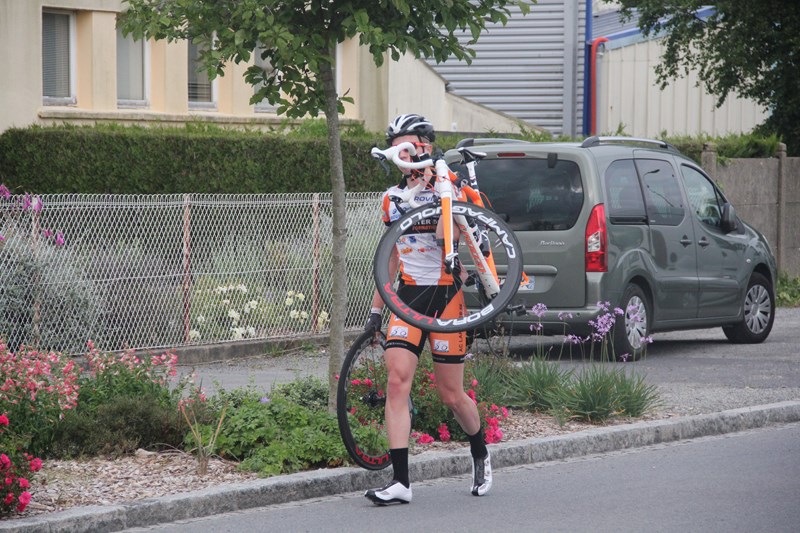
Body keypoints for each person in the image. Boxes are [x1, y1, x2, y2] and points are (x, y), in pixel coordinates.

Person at [364, 113, 492, 505]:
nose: (401, 156)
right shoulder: (391, 198)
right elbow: (388, 259)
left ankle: (480, 451)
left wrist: (443, 191)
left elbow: (462, 238)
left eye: (408, 148)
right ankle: (400, 482)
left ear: (425, 147)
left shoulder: (448, 187)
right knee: (397, 382)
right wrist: (375, 311)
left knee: (451, 394)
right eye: (395, 149)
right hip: (406, 298)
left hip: (446, 298)